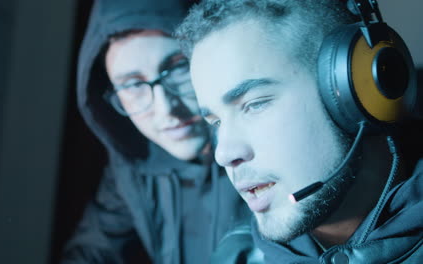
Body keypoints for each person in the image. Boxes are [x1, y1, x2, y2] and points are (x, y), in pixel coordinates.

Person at [176, 0, 423, 263]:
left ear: (359, 90)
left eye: (254, 104)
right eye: (216, 122)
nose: (224, 154)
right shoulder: (235, 256)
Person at [60, 0, 252, 263]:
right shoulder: (131, 169)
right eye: (133, 85)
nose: (166, 110)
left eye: (177, 68)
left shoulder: (260, 149)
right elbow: (92, 251)